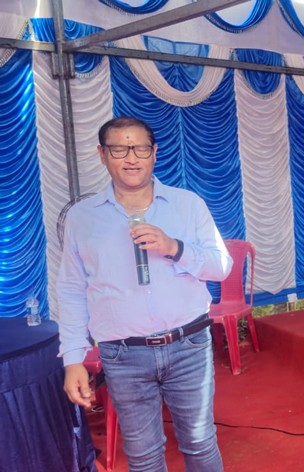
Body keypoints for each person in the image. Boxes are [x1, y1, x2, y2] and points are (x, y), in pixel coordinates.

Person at [57, 116, 232, 471]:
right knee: (142, 455)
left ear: (154, 153)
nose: (131, 158)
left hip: (188, 344)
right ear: (102, 154)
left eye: (140, 148)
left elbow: (221, 266)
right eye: (119, 149)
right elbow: (72, 289)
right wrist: (73, 359)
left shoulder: (188, 204)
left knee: (200, 443)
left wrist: (174, 247)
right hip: (123, 354)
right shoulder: (82, 217)